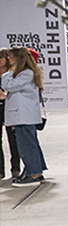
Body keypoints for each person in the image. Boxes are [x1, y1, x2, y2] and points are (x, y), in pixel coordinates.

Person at [1, 47, 48, 187]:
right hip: (23, 116)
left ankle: (34, 174)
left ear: (18, 59)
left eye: (10, 58)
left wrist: (8, 72)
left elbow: (8, 86)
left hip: (24, 116)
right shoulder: (26, 73)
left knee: (26, 146)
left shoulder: (26, 73)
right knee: (29, 144)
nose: (9, 60)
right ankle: (35, 170)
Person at [0, 49, 21, 179]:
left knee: (13, 139)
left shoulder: (13, 73)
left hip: (9, 106)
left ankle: (16, 168)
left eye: (1, 57)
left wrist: (4, 95)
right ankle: (0, 171)